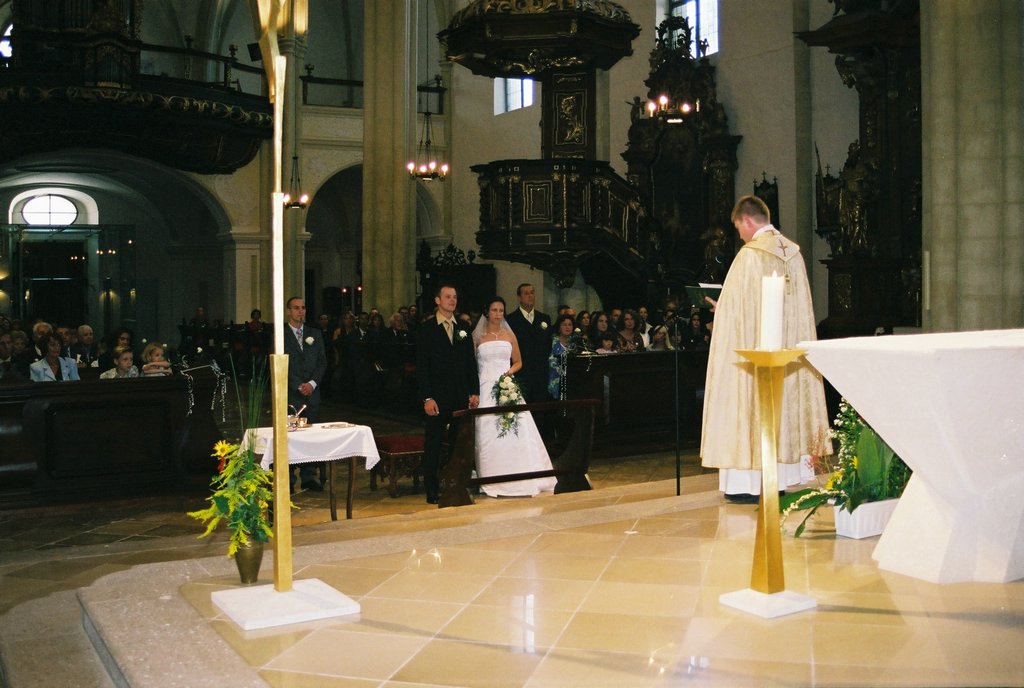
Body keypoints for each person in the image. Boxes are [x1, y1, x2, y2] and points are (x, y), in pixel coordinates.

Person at [701, 195, 830, 503]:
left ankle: (747, 484)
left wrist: (722, 310)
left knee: (749, 402)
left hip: (757, 353)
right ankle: (780, 479)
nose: (740, 235)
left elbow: (739, 315)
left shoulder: (750, 255)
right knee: (784, 404)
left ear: (746, 220)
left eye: (738, 228)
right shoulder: (794, 254)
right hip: (787, 353)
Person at [473, 297, 556, 497]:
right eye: (494, 310)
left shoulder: (509, 334)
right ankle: (490, 475)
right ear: (487, 312)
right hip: (485, 386)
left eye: (501, 310)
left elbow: (519, 361)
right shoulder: (478, 337)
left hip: (507, 384)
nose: (498, 314)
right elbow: (472, 364)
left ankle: (521, 471)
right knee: (488, 430)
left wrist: (509, 374)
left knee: (517, 428)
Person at [416, 283, 480, 504]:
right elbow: (422, 367)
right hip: (437, 397)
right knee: (433, 443)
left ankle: (453, 482)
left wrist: (474, 391)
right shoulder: (427, 329)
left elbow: (470, 363)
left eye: (454, 297)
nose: (452, 300)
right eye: (447, 296)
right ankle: (432, 488)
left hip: (460, 395)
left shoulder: (463, 327)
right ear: (437, 300)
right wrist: (427, 397)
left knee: (457, 443)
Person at [283, 296, 328, 491]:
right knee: (290, 437)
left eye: (303, 308)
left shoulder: (314, 334)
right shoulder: (280, 334)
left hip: (311, 393)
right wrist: (297, 384)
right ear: (288, 311)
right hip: (291, 393)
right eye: (296, 308)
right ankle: (289, 479)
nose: (300, 312)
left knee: (310, 436)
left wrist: (311, 383)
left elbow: (322, 362)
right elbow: (279, 363)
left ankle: (309, 476)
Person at [504, 283, 551, 404]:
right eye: (526, 293)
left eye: (532, 292)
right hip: (521, 375)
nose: (530, 296)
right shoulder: (510, 320)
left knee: (540, 413)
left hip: (541, 375)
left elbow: (548, 345)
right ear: (519, 297)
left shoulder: (544, 318)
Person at [548, 313, 578, 400]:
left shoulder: (576, 344)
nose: (567, 327)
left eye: (570, 325)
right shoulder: (552, 342)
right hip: (554, 382)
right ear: (559, 327)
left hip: (572, 383)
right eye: (564, 325)